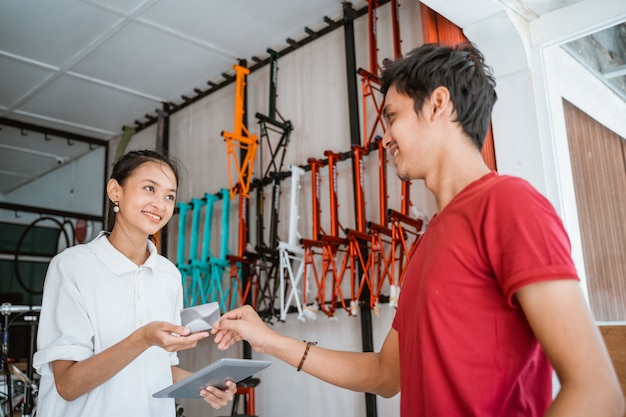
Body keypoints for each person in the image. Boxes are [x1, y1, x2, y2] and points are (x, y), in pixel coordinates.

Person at [211, 43, 625, 416]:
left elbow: (596, 394)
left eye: (391, 117)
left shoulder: (508, 203)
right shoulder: (428, 241)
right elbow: (385, 375)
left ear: (438, 104)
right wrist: (268, 340)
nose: (385, 137)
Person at [33, 150, 236, 416]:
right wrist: (142, 339)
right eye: (149, 188)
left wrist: (206, 385)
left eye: (169, 196)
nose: (160, 204)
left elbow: (160, 369)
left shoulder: (168, 275)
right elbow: (68, 384)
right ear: (115, 191)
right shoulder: (72, 266)